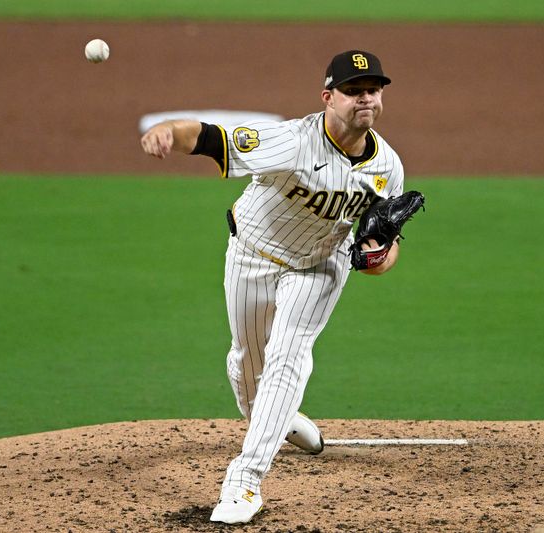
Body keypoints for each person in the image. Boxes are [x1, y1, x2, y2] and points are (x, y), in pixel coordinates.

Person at [141, 50, 405, 524]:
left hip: (318, 267)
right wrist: (168, 134)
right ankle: (282, 421)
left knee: (289, 356)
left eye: (373, 89)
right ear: (328, 97)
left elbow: (383, 248)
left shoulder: (387, 165)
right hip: (252, 257)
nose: (365, 98)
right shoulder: (290, 140)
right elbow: (210, 138)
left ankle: (244, 482)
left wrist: (377, 258)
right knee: (248, 366)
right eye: (352, 91)